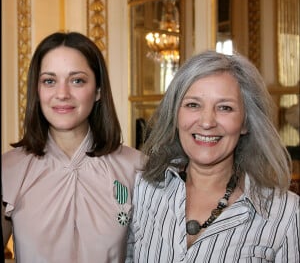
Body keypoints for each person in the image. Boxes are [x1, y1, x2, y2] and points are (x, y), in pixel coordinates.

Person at [126, 50, 300, 262]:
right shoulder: (143, 189)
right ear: (176, 114)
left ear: (245, 122)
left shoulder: (287, 215)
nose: (207, 122)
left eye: (225, 108)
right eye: (193, 105)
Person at [1, 31, 145, 263]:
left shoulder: (136, 168)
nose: (62, 94)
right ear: (37, 91)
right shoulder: (8, 170)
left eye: (77, 80)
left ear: (98, 90)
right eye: (49, 81)